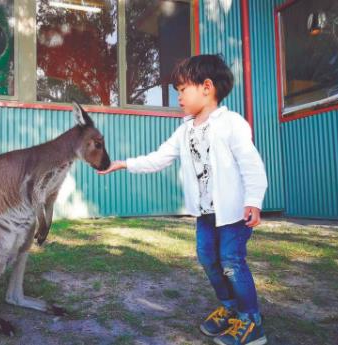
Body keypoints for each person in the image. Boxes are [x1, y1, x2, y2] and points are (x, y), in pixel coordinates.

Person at [97, 54, 268, 345]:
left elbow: (252, 165)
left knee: (231, 262)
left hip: (233, 213)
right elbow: (159, 158)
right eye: (177, 90)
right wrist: (125, 163)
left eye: (182, 89)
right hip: (206, 214)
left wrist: (253, 200)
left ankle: (251, 321)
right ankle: (229, 308)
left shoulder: (232, 123)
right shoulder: (184, 130)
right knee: (207, 259)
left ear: (207, 87)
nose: (178, 96)